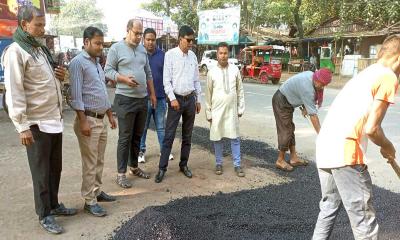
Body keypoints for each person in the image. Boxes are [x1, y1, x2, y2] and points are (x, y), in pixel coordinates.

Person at [312, 35, 400, 240]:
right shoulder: (388, 76)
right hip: (345, 153)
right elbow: (372, 128)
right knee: (364, 223)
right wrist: (388, 146)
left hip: (325, 147)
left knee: (328, 208)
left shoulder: (367, 73)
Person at [1, 5, 76, 234]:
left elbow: (48, 81)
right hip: (35, 124)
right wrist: (22, 126)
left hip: (53, 120)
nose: (43, 29)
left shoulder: (39, 49)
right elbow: (14, 91)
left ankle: (54, 205)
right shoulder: (16, 51)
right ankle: (44, 214)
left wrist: (61, 77)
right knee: (41, 171)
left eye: (44, 24)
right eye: (38, 25)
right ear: (25, 25)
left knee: (55, 168)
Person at [69, 26, 117, 217]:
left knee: (99, 159)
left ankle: (96, 191)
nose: (101, 48)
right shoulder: (77, 63)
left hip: (101, 119)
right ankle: (89, 201)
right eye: (97, 44)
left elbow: (101, 93)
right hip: (88, 119)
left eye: (102, 44)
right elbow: (76, 95)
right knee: (90, 162)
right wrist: (82, 121)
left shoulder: (96, 63)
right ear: (86, 42)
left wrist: (110, 115)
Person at [105, 19, 157, 188]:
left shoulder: (142, 49)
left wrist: (152, 95)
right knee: (125, 138)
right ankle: (121, 174)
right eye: (136, 33)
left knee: (137, 136)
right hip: (125, 99)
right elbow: (108, 71)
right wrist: (124, 79)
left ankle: (134, 167)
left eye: (140, 34)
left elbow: (148, 73)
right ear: (128, 30)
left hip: (142, 99)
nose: (139, 37)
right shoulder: (116, 48)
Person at [154, 25, 202, 183]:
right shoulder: (170, 55)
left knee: (187, 136)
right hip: (176, 100)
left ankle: (183, 165)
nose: (190, 43)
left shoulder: (193, 57)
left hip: (190, 100)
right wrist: (172, 98)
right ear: (180, 39)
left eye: (192, 41)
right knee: (169, 135)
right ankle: (162, 168)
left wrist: (198, 99)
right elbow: (166, 80)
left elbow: (196, 80)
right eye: (188, 40)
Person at [272, 68, 332, 172]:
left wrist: (305, 106)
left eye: (324, 85)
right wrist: (321, 135)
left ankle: (293, 158)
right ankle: (280, 160)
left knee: (290, 128)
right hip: (281, 100)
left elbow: (302, 94)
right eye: (321, 84)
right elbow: (313, 115)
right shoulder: (307, 88)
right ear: (317, 79)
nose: (322, 88)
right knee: (286, 130)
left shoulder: (312, 76)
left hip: (287, 100)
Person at [205, 42, 245, 177]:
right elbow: (208, 94)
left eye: (225, 53)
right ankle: (218, 163)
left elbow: (240, 91)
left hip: (232, 110)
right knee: (218, 137)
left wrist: (240, 108)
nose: (223, 56)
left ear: (229, 54)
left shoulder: (235, 70)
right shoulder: (211, 72)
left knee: (235, 137)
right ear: (217, 54)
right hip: (217, 110)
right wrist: (208, 112)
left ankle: (237, 165)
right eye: (220, 53)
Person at [138, 28, 174, 163]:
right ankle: (141, 152)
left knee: (161, 127)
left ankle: (164, 151)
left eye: (153, 40)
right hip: (143, 98)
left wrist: (167, 95)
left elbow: (168, 76)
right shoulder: (139, 54)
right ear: (143, 39)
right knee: (143, 127)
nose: (150, 42)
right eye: (148, 39)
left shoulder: (162, 55)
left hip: (160, 98)